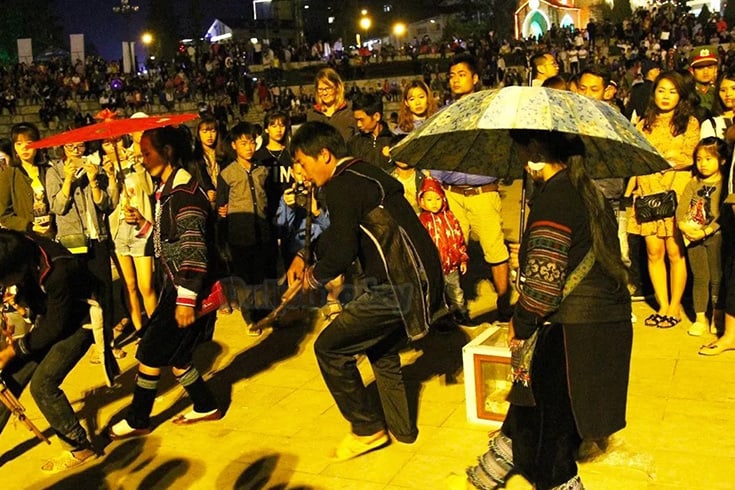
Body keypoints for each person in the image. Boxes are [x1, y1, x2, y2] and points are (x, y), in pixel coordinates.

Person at [449, 130, 632, 490]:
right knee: (531, 403)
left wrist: (521, 321)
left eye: (521, 150)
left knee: (553, 434)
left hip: (570, 331)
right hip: (604, 322)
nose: (520, 159)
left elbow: (544, 287)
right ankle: (494, 469)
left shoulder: (555, 200)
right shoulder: (588, 192)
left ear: (534, 151)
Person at [287, 121, 444, 460]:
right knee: (380, 349)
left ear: (325, 155)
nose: (299, 170)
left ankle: (367, 428)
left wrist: (313, 279)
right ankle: (403, 431)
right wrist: (305, 253)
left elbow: (343, 250)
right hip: (418, 277)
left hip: (399, 284)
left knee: (329, 349)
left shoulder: (342, 186)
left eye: (302, 162)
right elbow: (341, 235)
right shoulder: (362, 173)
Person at [108, 126, 221, 439]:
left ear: (168, 151)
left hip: (187, 288)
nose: (142, 159)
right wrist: (144, 225)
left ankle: (138, 418)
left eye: (147, 152)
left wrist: (185, 300)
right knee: (179, 357)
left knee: (148, 351)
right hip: (182, 285)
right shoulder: (170, 190)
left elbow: (194, 248)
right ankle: (206, 405)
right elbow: (170, 239)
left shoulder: (183, 193)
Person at [0, 230, 98, 472]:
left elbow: (55, 327)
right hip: (49, 315)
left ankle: (80, 446)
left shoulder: (58, 269)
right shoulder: (15, 246)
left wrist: (12, 350)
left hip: (78, 321)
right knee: (9, 377)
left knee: (43, 384)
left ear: (18, 270)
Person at [431, 53, 512, 322]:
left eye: (461, 74)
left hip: (482, 192)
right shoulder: (444, 114)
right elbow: (437, 151)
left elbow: (502, 146)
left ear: (475, 78)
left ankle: (503, 302)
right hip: (452, 194)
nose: (455, 79)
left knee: (495, 250)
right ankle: (456, 307)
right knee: (450, 251)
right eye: (452, 75)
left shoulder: (491, 110)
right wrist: (439, 180)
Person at [627, 71, 699, 329]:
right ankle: (662, 304)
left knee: (674, 251)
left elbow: (693, 156)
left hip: (676, 192)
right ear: (653, 93)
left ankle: (675, 306)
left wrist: (669, 161)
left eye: (672, 91)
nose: (666, 96)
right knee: (653, 251)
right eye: (661, 90)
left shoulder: (689, 123)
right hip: (648, 191)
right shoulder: (643, 123)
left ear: (680, 95)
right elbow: (636, 158)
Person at [217, 122, 276, 327]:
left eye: (251, 142)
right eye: (243, 143)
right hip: (239, 235)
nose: (249, 147)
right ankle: (250, 317)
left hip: (263, 232)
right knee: (245, 278)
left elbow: (269, 199)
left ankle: (267, 313)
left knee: (263, 275)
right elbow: (221, 206)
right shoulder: (227, 173)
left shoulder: (262, 171)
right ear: (234, 145)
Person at [105, 136, 157, 336]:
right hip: (119, 231)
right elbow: (108, 203)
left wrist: (139, 165)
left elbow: (150, 189)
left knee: (146, 285)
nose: (113, 146)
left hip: (141, 228)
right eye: (108, 143)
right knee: (130, 285)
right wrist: (110, 177)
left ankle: (155, 330)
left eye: (116, 141)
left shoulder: (137, 162)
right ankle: (140, 330)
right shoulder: (103, 168)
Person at [676, 137, 726, 337]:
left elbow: (723, 215)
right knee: (700, 277)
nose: (703, 164)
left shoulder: (724, 184)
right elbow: (681, 210)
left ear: (722, 160)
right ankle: (699, 317)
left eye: (709, 159)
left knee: (717, 278)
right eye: (699, 159)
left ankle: (718, 316)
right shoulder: (692, 184)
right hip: (692, 236)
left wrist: (706, 231)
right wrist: (684, 228)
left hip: (716, 236)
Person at [418, 178, 474, 327]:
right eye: (429, 199)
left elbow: (459, 239)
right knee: (436, 295)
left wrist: (462, 259)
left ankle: (461, 315)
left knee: (456, 293)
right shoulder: (421, 222)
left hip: (452, 267)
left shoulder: (450, 218)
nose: (434, 202)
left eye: (438, 198)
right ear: (421, 201)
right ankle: (440, 320)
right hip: (433, 269)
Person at [0, 123, 53, 238]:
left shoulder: (49, 171)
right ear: (14, 148)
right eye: (18, 144)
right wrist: (29, 226)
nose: (24, 148)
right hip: (26, 237)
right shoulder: (9, 174)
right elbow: (4, 215)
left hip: (52, 233)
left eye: (29, 143)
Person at [348, 92, 395, 171]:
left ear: (376, 116)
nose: (358, 124)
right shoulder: (354, 143)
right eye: (356, 120)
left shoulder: (393, 142)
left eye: (361, 120)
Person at [306, 67, 356, 142]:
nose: (324, 93)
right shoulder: (312, 115)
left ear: (337, 87)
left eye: (328, 88)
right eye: (320, 89)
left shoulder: (350, 112)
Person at [689, 46, 719, 113]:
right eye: (700, 68)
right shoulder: (688, 92)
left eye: (710, 67)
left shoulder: (720, 90)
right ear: (691, 71)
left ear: (715, 69)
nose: (705, 72)